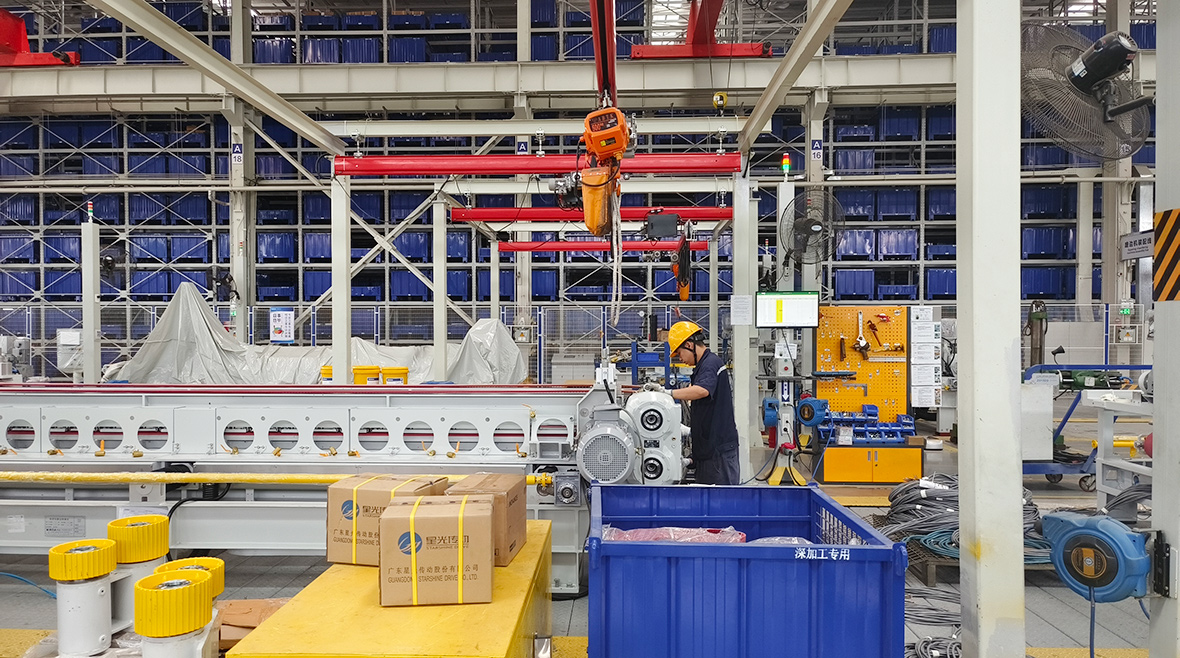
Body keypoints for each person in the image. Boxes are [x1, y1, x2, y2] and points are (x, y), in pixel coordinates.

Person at [666, 320, 739, 485]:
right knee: (706, 498)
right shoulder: (702, 366)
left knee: (721, 498)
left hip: (718, 453)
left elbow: (702, 390)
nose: (680, 358)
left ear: (689, 345)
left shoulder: (710, 363)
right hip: (709, 451)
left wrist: (668, 393)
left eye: (679, 353)